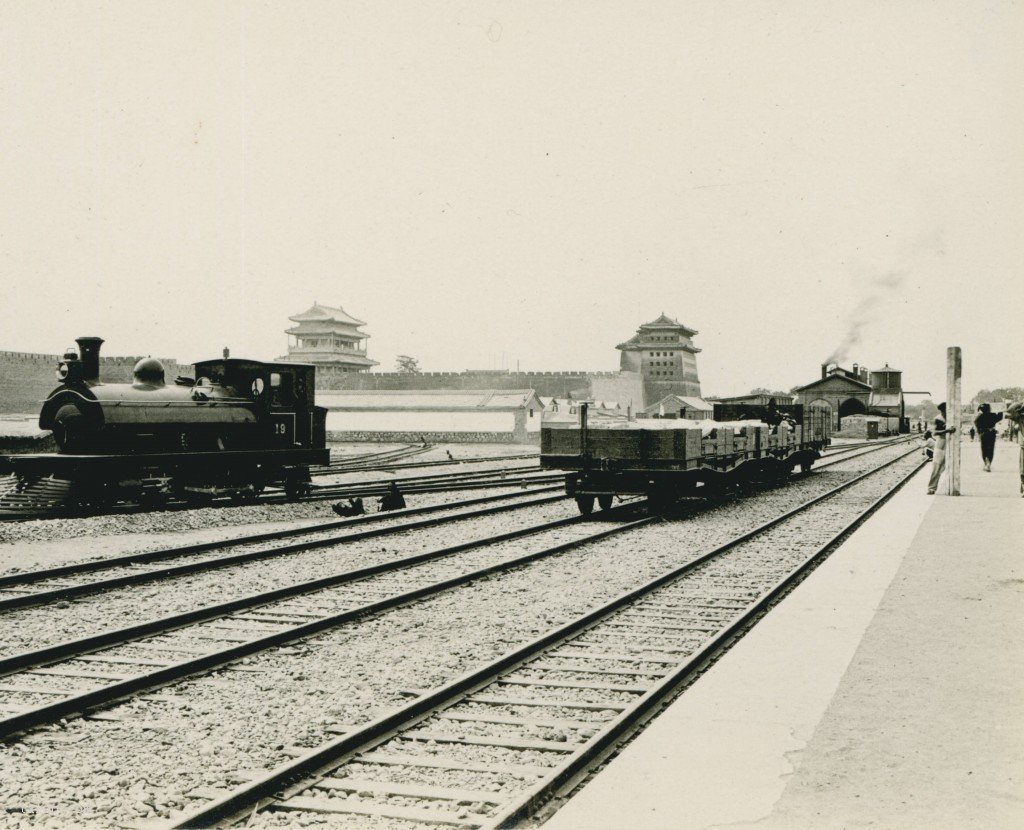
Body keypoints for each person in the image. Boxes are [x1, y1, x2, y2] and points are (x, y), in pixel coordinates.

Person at [927, 407, 956, 495]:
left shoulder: (952, 418)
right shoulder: (938, 419)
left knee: (949, 467)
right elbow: (934, 433)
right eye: (943, 412)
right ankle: (931, 488)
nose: (944, 413)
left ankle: (951, 486)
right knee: (937, 467)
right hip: (941, 445)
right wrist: (947, 430)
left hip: (951, 444)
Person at [973, 403, 1003, 472]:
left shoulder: (980, 416)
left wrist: (979, 432)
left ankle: (986, 462)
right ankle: (989, 462)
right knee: (991, 448)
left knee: (984, 448)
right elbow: (1000, 417)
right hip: (992, 434)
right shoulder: (993, 415)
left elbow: (975, 422)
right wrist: (1000, 410)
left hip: (984, 434)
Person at [1006, 400, 1024, 497]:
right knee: (1023, 469)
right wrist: (1021, 404)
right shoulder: (1021, 417)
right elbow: (1010, 410)